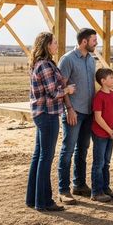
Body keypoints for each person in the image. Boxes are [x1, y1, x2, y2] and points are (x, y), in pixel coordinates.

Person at [26, 32, 76, 212]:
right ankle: (44, 201)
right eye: (54, 42)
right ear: (47, 45)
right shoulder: (46, 65)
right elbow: (54, 92)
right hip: (48, 114)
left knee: (38, 156)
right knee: (45, 158)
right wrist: (67, 89)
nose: (57, 45)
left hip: (41, 114)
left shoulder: (38, 64)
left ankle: (33, 198)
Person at [57, 28, 98, 205]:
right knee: (67, 151)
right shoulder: (67, 60)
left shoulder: (91, 60)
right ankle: (63, 190)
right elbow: (62, 86)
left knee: (82, 150)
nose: (96, 43)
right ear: (84, 42)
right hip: (74, 112)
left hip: (88, 112)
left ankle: (79, 184)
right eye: (94, 40)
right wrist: (69, 109)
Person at [90, 68, 113, 202]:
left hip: (110, 134)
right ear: (103, 81)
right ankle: (96, 192)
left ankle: (105, 188)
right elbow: (98, 118)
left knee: (106, 162)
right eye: (111, 77)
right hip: (100, 134)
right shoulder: (99, 96)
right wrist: (110, 131)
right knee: (99, 163)